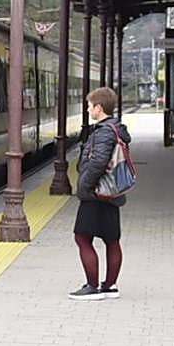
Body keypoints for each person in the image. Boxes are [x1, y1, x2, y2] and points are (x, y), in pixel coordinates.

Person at [69, 86, 131, 301]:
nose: (88, 110)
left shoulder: (104, 132)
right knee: (111, 239)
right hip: (111, 192)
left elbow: (98, 162)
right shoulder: (116, 128)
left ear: (99, 107)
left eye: (89, 106)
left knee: (82, 237)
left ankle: (92, 287)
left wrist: (85, 187)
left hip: (97, 192)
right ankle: (110, 286)